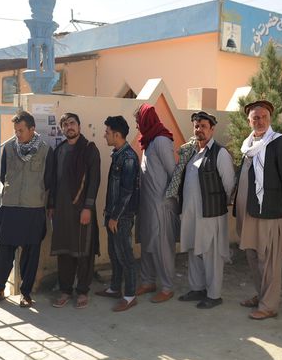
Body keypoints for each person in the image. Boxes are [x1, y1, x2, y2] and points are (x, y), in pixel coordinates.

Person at [234, 100, 282, 320]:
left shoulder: (278, 142)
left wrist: (273, 200)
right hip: (248, 211)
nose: (259, 121)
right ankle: (261, 295)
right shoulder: (247, 144)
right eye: (255, 117)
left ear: (270, 120)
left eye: (263, 117)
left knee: (268, 259)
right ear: (248, 121)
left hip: (268, 211)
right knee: (252, 255)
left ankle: (269, 305)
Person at [0, 111, 52, 309]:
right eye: (15, 131)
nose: (18, 134)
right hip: (11, 207)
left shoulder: (45, 150)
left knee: (31, 253)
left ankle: (26, 293)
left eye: (21, 130)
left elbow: (49, 180)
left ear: (32, 129)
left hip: (33, 208)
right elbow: (3, 174)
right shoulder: (9, 148)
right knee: (4, 251)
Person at [176, 111, 235, 309]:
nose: (199, 130)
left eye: (203, 126)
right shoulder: (191, 151)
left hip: (211, 214)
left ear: (212, 129)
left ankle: (214, 294)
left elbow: (229, 185)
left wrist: (217, 205)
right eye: (196, 126)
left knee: (211, 254)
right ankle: (197, 288)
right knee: (194, 250)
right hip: (191, 214)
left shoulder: (220, 153)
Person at [49, 113, 101, 309]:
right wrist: (52, 205)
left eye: (72, 123)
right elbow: (54, 181)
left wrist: (87, 207)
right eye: (65, 124)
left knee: (83, 251)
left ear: (79, 126)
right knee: (65, 251)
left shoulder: (89, 150)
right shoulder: (60, 150)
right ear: (62, 129)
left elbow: (94, 181)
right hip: (62, 210)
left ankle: (82, 291)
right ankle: (65, 290)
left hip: (81, 209)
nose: (69, 127)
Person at [134, 104, 179, 303]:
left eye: (138, 121)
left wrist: (169, 201)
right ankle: (147, 281)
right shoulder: (148, 141)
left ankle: (168, 287)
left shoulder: (161, 140)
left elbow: (173, 172)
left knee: (162, 245)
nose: (137, 126)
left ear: (146, 120)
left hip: (161, 204)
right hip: (147, 204)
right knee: (147, 242)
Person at [95, 116, 141, 312]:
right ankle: (115, 288)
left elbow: (127, 192)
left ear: (117, 134)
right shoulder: (118, 154)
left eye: (107, 132)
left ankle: (130, 296)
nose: (104, 135)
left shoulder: (129, 157)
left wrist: (115, 217)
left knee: (125, 255)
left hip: (121, 216)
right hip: (113, 214)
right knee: (114, 253)